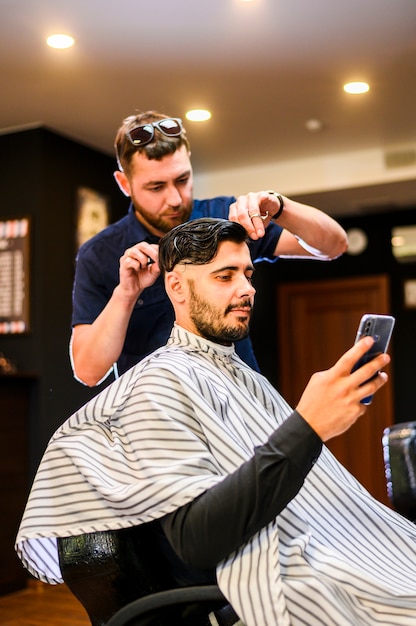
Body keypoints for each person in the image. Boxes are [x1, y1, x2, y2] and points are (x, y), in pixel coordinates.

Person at [16, 218, 416, 626]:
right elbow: (198, 542)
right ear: (176, 288)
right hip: (291, 584)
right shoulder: (162, 382)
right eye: (224, 276)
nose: (247, 289)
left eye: (247, 274)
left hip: (341, 555)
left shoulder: (245, 377)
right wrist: (308, 427)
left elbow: (332, 241)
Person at [70, 110, 348, 387]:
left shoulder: (225, 217)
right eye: (156, 187)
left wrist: (280, 207)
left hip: (240, 405)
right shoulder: (100, 254)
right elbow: (88, 371)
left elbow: (333, 245)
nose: (175, 199)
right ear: (124, 184)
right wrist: (126, 294)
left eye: (182, 180)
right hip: (160, 416)